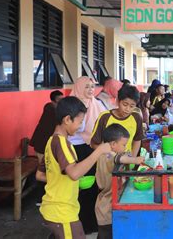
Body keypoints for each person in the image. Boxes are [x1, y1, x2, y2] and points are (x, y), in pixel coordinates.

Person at [36, 96, 111, 239]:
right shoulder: (63, 144)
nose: (80, 126)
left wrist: (72, 184)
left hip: (54, 208)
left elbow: (40, 175)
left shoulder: (51, 141)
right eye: (80, 122)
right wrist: (99, 151)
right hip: (62, 211)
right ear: (67, 119)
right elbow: (74, 173)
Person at [95, 124, 144, 239]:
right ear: (113, 144)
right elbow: (118, 158)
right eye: (123, 145)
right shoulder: (107, 155)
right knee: (106, 234)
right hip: (106, 205)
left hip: (107, 201)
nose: (125, 148)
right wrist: (135, 160)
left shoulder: (106, 153)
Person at [69, 76, 104, 234]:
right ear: (79, 87)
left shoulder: (95, 103)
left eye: (92, 87)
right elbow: (77, 129)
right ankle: (78, 225)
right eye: (87, 87)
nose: (90, 90)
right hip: (74, 149)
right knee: (77, 187)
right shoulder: (72, 105)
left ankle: (90, 224)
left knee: (90, 187)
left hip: (90, 147)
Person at [91, 85, 144, 157]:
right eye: (125, 104)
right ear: (118, 101)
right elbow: (94, 143)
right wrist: (110, 155)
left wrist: (132, 158)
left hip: (127, 161)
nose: (127, 109)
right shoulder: (105, 117)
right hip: (108, 162)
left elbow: (137, 140)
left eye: (132, 106)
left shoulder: (136, 117)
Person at [30, 90, 64, 164]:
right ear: (53, 100)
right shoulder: (51, 110)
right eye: (60, 100)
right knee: (43, 166)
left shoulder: (54, 109)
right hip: (42, 144)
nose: (62, 102)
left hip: (43, 144)